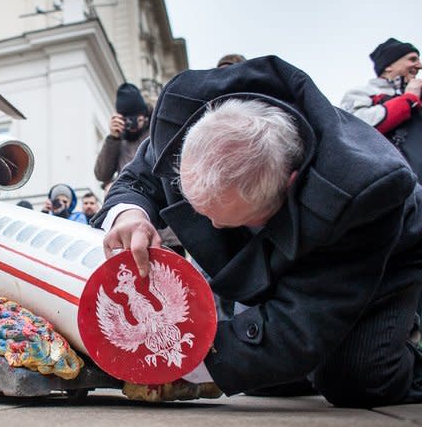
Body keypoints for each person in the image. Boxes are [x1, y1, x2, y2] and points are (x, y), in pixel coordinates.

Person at [94, 55, 422, 408]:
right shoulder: (179, 120)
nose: (212, 226)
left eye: (226, 218)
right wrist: (130, 214)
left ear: (290, 183)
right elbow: (137, 180)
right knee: (269, 378)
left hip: (386, 250)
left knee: (353, 379)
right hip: (287, 240)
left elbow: (301, 326)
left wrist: (181, 361)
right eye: (198, 210)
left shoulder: (361, 192)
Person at [340, 38, 421, 178]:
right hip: (391, 185)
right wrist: (408, 99)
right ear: (389, 66)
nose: (419, 65)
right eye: (412, 59)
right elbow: (356, 130)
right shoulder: (361, 93)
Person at [93, 83, 150, 184]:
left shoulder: (154, 132)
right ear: (120, 119)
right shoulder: (118, 140)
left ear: (144, 115)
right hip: (129, 194)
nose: (133, 124)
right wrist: (113, 138)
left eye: (137, 119)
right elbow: (101, 175)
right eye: (128, 119)